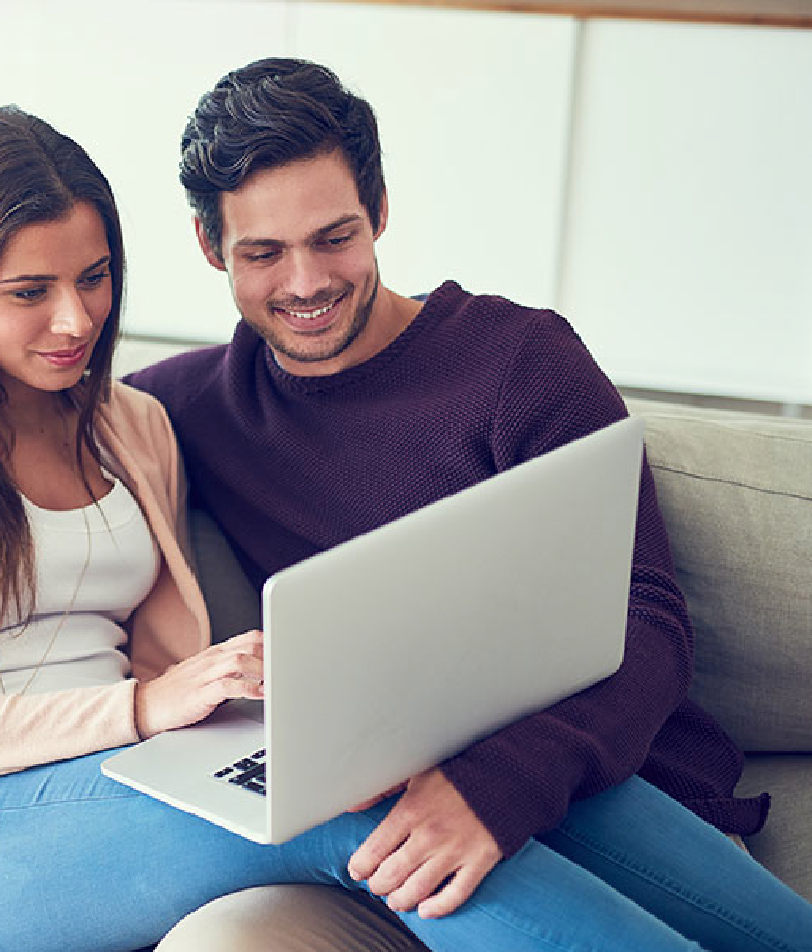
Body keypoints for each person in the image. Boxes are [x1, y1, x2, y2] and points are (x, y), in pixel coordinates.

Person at [126, 57, 812, 951]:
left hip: (602, 783)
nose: (304, 283)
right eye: (262, 253)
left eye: (334, 236)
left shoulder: (520, 362)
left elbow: (647, 627)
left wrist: (495, 789)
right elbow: (16, 411)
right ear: (211, 246)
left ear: (379, 209)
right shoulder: (194, 405)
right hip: (384, 823)